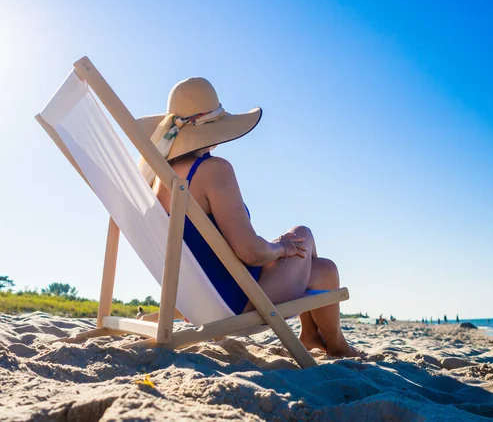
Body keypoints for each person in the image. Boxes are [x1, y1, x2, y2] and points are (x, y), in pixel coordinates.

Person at [138, 77, 358, 357]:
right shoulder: (213, 170)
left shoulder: (157, 178)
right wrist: (280, 248)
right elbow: (250, 252)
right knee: (303, 234)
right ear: (214, 129)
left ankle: (313, 336)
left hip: (204, 297)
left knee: (326, 270)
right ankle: (334, 343)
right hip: (238, 300)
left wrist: (273, 250)